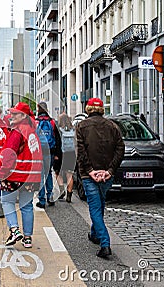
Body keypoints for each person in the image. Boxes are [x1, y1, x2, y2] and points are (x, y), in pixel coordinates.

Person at [76, 98, 125, 258]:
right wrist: (109, 171)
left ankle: (105, 244)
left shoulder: (81, 126)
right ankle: (95, 234)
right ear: (102, 109)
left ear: (88, 108)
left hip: (89, 175)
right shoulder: (112, 126)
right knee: (100, 203)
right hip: (106, 174)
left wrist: (90, 171)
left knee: (95, 207)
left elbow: (81, 152)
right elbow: (120, 148)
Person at [0, 102, 42, 248]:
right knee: (27, 206)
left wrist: (2, 172)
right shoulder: (33, 130)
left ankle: (15, 230)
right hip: (32, 175)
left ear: (24, 116)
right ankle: (27, 238)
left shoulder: (17, 131)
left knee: (7, 202)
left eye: (15, 114)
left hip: (15, 174)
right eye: (12, 113)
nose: (12, 115)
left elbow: (10, 154)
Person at [35, 102, 61, 208]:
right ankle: (50, 197)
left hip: (38, 153)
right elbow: (58, 139)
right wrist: (57, 154)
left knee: (40, 176)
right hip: (50, 152)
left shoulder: (36, 122)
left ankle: (42, 200)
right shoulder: (52, 122)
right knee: (48, 174)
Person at [54, 113, 76, 202]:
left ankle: (62, 190)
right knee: (69, 174)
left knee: (57, 173)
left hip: (61, 154)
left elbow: (57, 143)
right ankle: (69, 195)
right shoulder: (73, 129)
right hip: (71, 154)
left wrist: (56, 155)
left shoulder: (58, 130)